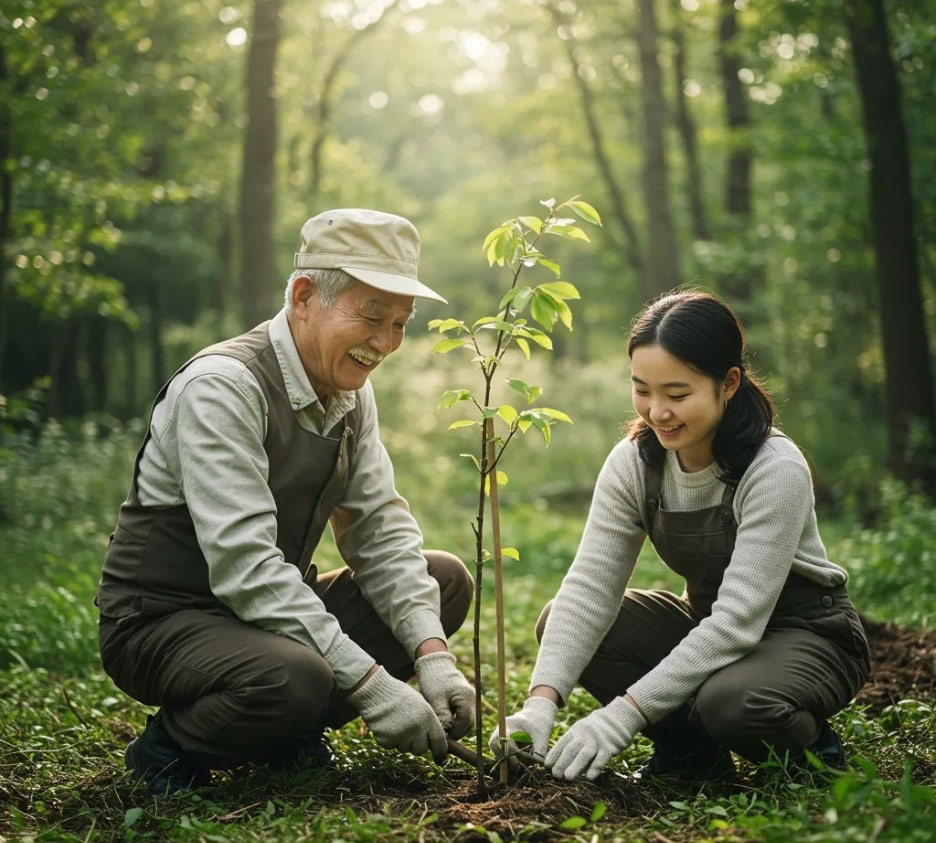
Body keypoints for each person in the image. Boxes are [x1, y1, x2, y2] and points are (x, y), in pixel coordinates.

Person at [97, 208, 476, 794]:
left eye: (401, 323)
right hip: (165, 619)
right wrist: (375, 687)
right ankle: (168, 750)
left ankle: (286, 733)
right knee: (293, 675)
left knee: (443, 581)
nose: (385, 342)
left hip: (266, 618)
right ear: (304, 296)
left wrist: (433, 656)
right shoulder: (222, 386)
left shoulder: (350, 391)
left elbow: (377, 528)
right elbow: (246, 568)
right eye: (372, 316)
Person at [491, 289, 870, 783]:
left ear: (728, 383)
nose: (657, 412)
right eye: (642, 390)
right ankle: (693, 754)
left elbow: (738, 620)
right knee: (566, 621)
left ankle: (813, 752)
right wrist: (540, 704)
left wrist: (621, 716)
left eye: (677, 394)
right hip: (710, 622)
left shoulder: (773, 468)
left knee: (733, 703)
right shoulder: (634, 462)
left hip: (805, 633)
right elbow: (590, 585)